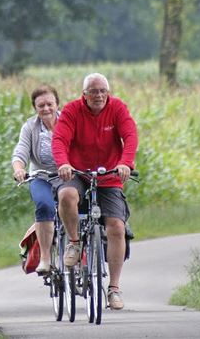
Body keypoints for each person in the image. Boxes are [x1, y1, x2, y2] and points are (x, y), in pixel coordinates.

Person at [52, 72, 138, 310]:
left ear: (108, 93)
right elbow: (59, 140)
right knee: (66, 196)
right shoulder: (71, 111)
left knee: (117, 228)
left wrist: (125, 163)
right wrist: (63, 164)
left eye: (103, 91)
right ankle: (74, 242)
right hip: (77, 172)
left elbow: (130, 135)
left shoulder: (118, 109)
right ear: (84, 94)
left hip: (109, 174)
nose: (99, 95)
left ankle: (114, 288)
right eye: (93, 91)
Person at [12, 85, 62, 275]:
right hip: (41, 176)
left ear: (57, 104)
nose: (46, 109)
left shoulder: (70, 122)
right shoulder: (30, 127)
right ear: (35, 108)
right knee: (44, 206)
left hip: (70, 176)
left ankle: (81, 252)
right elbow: (20, 152)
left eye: (50, 104)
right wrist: (19, 169)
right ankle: (45, 258)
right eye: (41, 105)